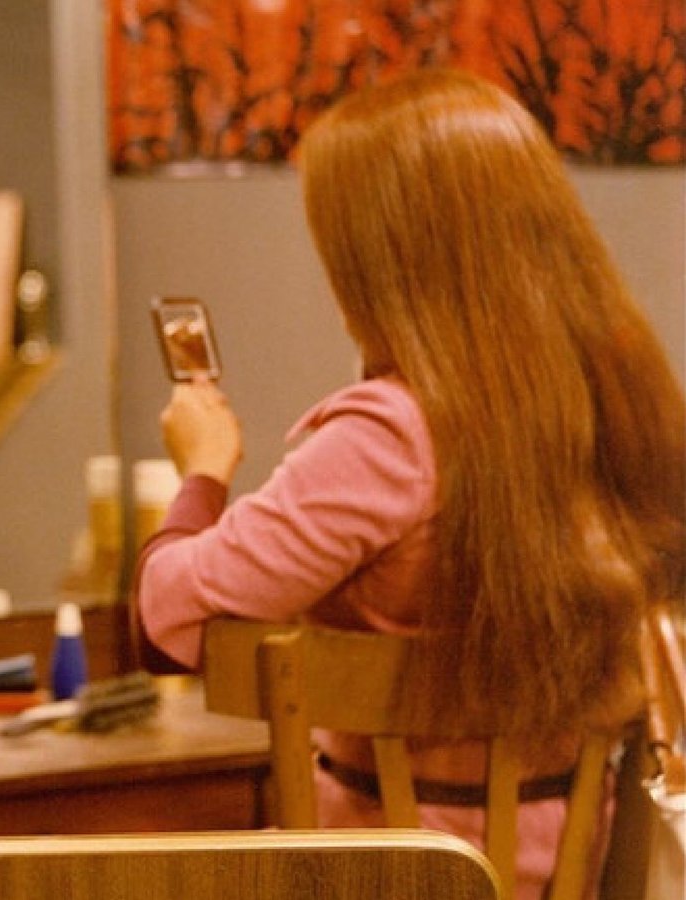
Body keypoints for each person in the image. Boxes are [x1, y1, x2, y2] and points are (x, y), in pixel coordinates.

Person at [134, 68, 685, 899]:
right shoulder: (617, 405)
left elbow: (167, 622)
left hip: (389, 876)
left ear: (385, 261)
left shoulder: (391, 437)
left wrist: (203, 469)